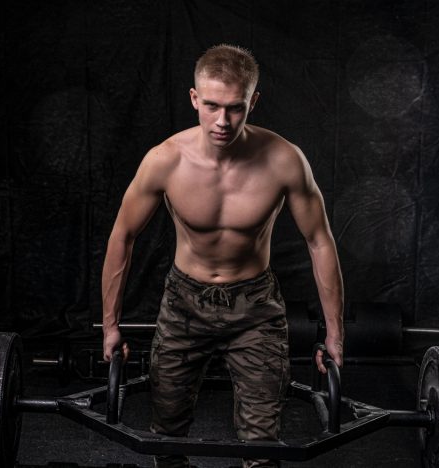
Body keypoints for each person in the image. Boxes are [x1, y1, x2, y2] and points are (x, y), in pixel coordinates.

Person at [101, 44, 344, 468]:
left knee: (262, 440)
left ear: (254, 101)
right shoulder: (165, 160)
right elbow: (122, 236)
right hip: (183, 304)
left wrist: (336, 336)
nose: (222, 120)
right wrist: (109, 328)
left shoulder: (284, 161)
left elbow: (320, 241)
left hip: (255, 307)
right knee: (166, 433)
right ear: (194, 98)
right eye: (211, 105)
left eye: (235, 107)